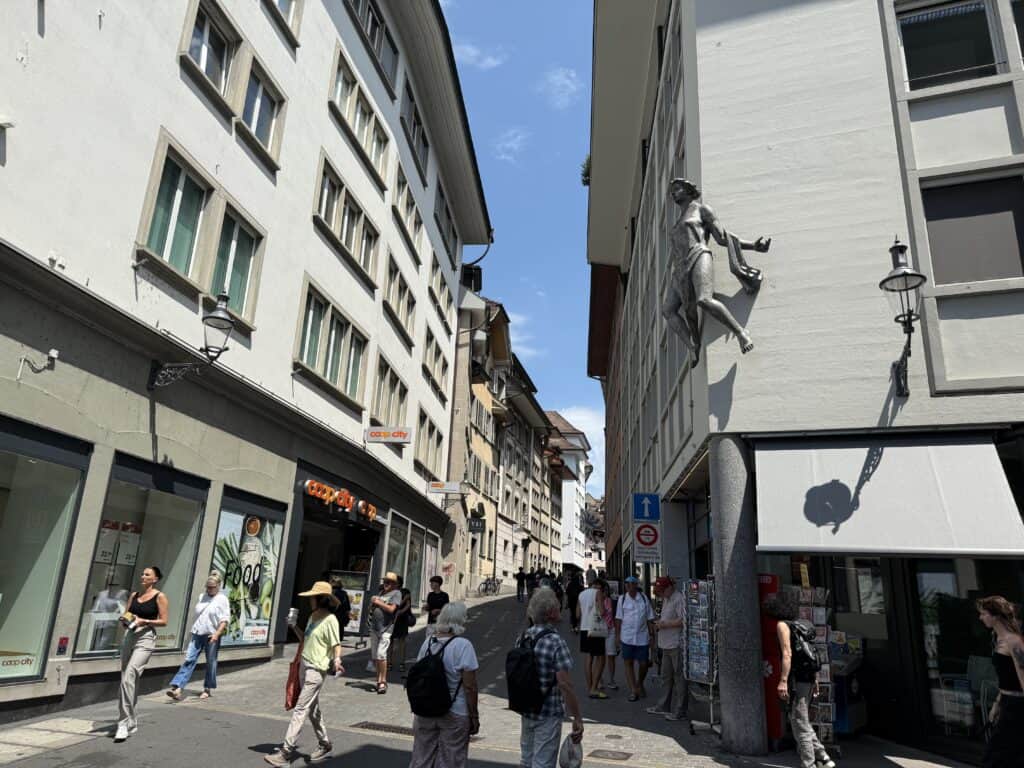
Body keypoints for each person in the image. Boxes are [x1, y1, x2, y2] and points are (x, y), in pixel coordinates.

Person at [265, 581, 343, 766]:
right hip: (304, 666)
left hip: (316, 670)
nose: (309, 601)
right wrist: (293, 626)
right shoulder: (313, 616)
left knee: (301, 708)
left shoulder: (330, 619)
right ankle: (325, 744)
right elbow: (304, 640)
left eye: (312, 598)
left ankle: (286, 753)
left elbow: (336, 644)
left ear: (320, 599)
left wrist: (337, 660)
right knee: (312, 709)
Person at [519, 588, 584, 768]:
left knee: (526, 760)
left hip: (526, 708)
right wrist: (577, 717)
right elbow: (564, 683)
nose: (561, 608)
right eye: (558, 606)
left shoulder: (523, 637)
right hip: (548, 711)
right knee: (543, 763)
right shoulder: (555, 641)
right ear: (551, 613)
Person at [409, 602, 479, 768]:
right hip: (454, 711)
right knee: (451, 760)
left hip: (425, 709)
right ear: (460, 620)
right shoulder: (463, 645)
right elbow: (470, 686)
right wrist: (474, 716)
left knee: (422, 757)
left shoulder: (428, 643)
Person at [768, 596, 835, 768]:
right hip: (808, 678)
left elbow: (787, 654)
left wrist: (783, 680)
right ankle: (824, 758)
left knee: (799, 722)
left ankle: (810, 764)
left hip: (796, 680)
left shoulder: (783, 625)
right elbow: (811, 654)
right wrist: (816, 679)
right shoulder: (803, 624)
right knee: (800, 719)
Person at [115, 566, 168, 743]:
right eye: (142, 574)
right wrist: (125, 620)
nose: (143, 576)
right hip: (130, 635)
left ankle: (122, 723)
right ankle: (131, 719)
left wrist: (145, 620)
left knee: (129, 676)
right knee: (129, 679)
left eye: (147, 574)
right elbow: (128, 614)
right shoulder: (134, 595)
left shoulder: (159, 596)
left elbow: (164, 621)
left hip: (146, 637)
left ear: (155, 579)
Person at [976, 595, 1024, 767]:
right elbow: (1005, 679)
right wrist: (997, 703)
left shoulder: (1014, 642)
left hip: (1017, 707)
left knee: (996, 757)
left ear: (995, 616)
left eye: (983, 613)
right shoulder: (997, 640)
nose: (981, 618)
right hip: (1006, 702)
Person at [167, 572, 230, 702]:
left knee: (211, 662)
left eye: (212, 587)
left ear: (218, 586)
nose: (209, 589)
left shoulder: (222, 599)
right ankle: (178, 688)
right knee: (189, 659)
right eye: (207, 586)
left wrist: (217, 634)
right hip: (197, 633)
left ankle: (207, 688)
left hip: (212, 635)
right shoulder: (202, 596)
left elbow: (225, 618)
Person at [647, 576, 688, 721]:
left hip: (676, 644)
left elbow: (683, 621)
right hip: (666, 644)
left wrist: (664, 625)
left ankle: (680, 710)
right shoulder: (666, 599)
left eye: (662, 590)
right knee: (666, 677)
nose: (660, 593)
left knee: (679, 679)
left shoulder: (678, 599)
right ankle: (663, 705)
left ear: (669, 588)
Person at [615, 576, 655, 702]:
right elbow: (618, 619)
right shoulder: (622, 599)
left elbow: (650, 618)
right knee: (628, 663)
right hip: (627, 637)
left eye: (631, 584)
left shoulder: (643, 599)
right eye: (627, 584)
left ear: (636, 585)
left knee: (643, 663)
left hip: (642, 637)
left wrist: (652, 636)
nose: (629, 586)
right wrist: (617, 636)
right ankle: (633, 690)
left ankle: (639, 683)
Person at [368, 571, 402, 694]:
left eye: (389, 582)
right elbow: (374, 608)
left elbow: (392, 609)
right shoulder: (381, 593)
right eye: (385, 581)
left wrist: (377, 602)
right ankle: (378, 681)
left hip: (386, 628)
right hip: (375, 628)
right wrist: (373, 603)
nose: (386, 584)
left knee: (381, 655)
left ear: (394, 584)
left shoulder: (396, 593)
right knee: (376, 657)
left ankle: (383, 681)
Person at [576, 575, 606, 699]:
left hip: (584, 628)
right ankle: (594, 688)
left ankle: (590, 687)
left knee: (588, 658)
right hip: (595, 629)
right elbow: (601, 611)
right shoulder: (598, 593)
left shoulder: (581, 594)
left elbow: (578, 614)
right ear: (598, 586)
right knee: (600, 658)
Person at [390, 583, 413, 677]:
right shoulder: (392, 592)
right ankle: (390, 662)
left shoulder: (405, 592)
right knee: (391, 641)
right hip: (392, 618)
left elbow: (408, 605)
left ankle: (400, 663)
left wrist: (400, 612)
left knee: (401, 641)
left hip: (402, 620)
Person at [600, 584, 619, 691]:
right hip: (598, 631)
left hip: (611, 630)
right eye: (603, 590)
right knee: (600, 657)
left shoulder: (612, 601)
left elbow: (616, 616)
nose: (605, 592)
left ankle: (611, 679)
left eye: (607, 590)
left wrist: (617, 634)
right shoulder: (596, 601)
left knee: (611, 656)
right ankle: (599, 679)